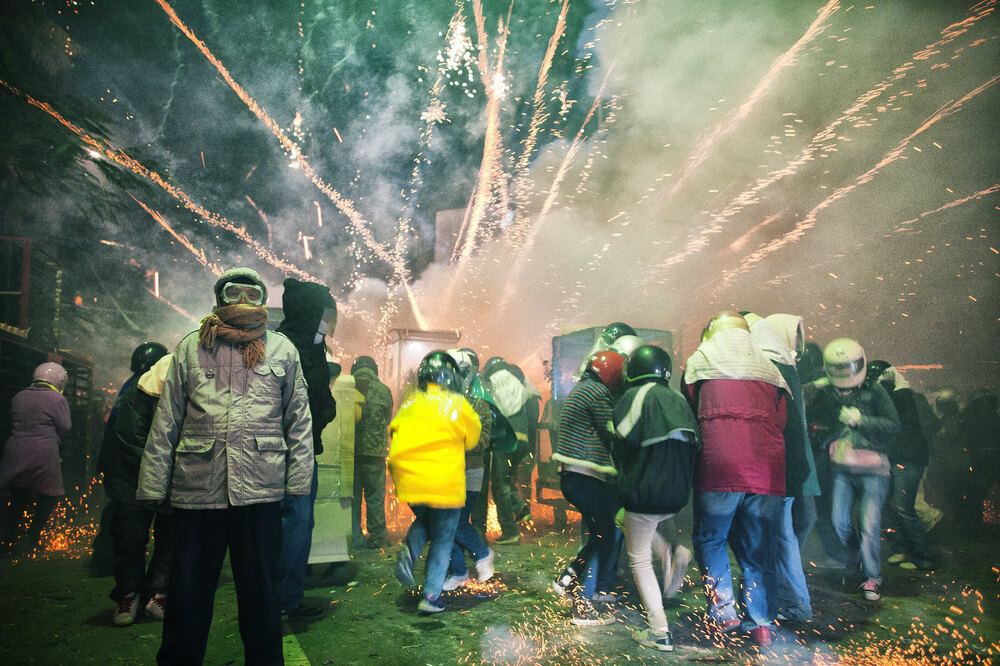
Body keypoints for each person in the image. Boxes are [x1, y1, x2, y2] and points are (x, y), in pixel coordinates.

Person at [137, 267, 314, 665]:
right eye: (234, 293)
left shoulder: (282, 349)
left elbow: (299, 421)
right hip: (197, 490)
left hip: (260, 492)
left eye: (252, 295)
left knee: (261, 596)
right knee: (187, 595)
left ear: (263, 301)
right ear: (219, 299)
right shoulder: (191, 348)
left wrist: (298, 480)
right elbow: (167, 420)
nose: (243, 302)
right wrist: (152, 485)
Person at [682, 311, 789, 647]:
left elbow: (691, 405)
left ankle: (724, 612)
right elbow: (782, 420)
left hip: (719, 467)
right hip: (767, 469)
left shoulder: (699, 362)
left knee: (711, 540)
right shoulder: (772, 371)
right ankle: (761, 622)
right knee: (760, 549)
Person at [612, 345, 699, 652]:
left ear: (632, 370)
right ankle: (669, 551)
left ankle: (659, 630)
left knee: (637, 558)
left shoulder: (637, 396)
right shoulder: (677, 398)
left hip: (645, 490)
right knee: (640, 527)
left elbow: (622, 438)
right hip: (677, 494)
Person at [390, 351, 481, 614]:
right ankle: (431, 596)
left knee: (426, 521)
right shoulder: (456, 404)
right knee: (443, 537)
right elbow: (473, 438)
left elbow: (395, 431)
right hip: (444, 485)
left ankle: (410, 550)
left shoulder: (410, 402)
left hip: (411, 483)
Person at [811, 339, 900, 603]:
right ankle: (857, 557)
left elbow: (894, 424)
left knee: (869, 524)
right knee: (839, 521)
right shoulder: (826, 393)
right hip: (842, 468)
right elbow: (815, 419)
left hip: (874, 468)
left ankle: (872, 576)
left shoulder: (875, 391)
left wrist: (862, 420)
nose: (843, 375)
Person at [747, 313, 819, 623]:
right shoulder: (788, 366)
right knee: (784, 537)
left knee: (778, 539)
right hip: (792, 465)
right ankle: (794, 603)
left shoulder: (770, 369)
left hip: (779, 466)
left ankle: (791, 605)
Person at [275, 278, 337, 622]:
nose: (327, 324)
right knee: (291, 528)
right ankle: (279, 600)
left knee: (300, 528)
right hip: (283, 455)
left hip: (304, 452)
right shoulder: (284, 348)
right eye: (324, 315)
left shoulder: (310, 349)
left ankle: (288, 598)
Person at [550, 350, 625, 626]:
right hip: (586, 476)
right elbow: (613, 430)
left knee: (600, 532)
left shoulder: (582, 389)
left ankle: (569, 577)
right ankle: (580, 599)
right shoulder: (597, 393)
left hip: (574, 476)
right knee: (605, 533)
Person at [106, 347, 173, 627]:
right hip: (132, 478)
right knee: (130, 538)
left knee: (171, 538)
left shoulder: (184, 389)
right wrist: (161, 472)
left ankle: (157, 592)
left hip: (171, 478)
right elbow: (132, 441)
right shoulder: (140, 391)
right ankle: (128, 593)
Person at [91, 342, 170, 576]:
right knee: (132, 521)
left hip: (114, 461)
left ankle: (106, 558)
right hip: (130, 465)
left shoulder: (130, 384)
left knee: (118, 512)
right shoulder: (147, 387)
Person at [866, 361, 939, 571]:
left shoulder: (904, 396)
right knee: (887, 505)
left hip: (908, 459)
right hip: (895, 458)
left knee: (904, 507)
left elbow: (897, 424)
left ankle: (924, 556)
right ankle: (900, 549)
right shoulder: (897, 395)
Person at [1, 362, 71, 556]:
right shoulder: (57, 398)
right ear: (59, 380)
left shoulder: (19, 396)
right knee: (49, 496)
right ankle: (33, 538)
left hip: (15, 450)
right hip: (44, 451)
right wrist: (59, 443)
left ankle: (8, 541)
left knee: (18, 497)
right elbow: (66, 426)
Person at [443, 349, 496, 589]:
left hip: (471, 471)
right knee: (448, 521)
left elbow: (484, 439)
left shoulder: (479, 405)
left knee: (454, 521)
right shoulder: (441, 404)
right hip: (446, 471)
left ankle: (480, 553)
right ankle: (458, 571)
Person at [351, 355, 393, 550]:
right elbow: (387, 420)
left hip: (350, 453)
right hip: (375, 455)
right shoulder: (385, 391)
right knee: (375, 497)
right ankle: (376, 538)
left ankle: (354, 537)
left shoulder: (347, 388)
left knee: (352, 498)